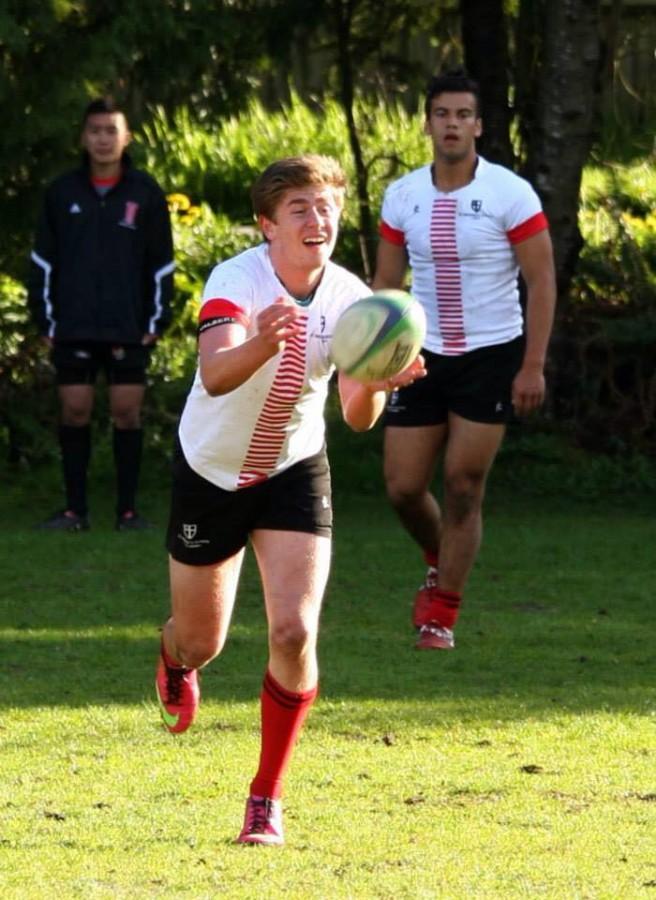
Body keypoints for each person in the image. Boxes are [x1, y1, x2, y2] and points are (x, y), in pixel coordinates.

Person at [154, 155, 425, 846]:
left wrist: (381, 377)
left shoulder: (351, 296)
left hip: (293, 469)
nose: (318, 219)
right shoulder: (236, 280)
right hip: (210, 473)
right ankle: (175, 656)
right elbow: (215, 375)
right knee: (202, 640)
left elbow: (357, 417)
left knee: (293, 633)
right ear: (267, 224)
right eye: (300, 207)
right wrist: (264, 341)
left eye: (327, 206)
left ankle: (265, 798)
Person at [373, 69, 556, 651]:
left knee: (462, 484)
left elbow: (542, 278)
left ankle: (441, 615)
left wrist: (532, 365)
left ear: (477, 125)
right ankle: (438, 555)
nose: (451, 125)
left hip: (492, 354)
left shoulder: (510, 193)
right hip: (421, 354)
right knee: (402, 487)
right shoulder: (403, 195)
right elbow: (385, 284)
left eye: (462, 115)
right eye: (441, 115)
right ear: (427, 123)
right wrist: (374, 361)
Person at [28, 97, 175, 531]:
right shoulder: (62, 193)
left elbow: (162, 263)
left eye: (111, 130)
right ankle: (75, 511)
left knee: (127, 413)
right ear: (83, 137)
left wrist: (156, 321)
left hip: (127, 328)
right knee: (74, 411)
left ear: (126, 137)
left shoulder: (145, 194)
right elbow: (42, 262)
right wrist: (46, 319)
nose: (103, 139)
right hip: (72, 327)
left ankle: (127, 512)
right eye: (95, 130)